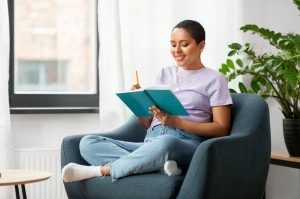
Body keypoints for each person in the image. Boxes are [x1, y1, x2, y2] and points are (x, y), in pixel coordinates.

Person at [62, 19, 232, 182]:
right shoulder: (164, 73)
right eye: (173, 45)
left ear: (201, 46)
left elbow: (222, 128)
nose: (177, 50)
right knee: (88, 143)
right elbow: (145, 123)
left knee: (166, 144)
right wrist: (138, 103)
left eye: (184, 44)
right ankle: (154, 165)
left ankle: (100, 171)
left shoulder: (215, 79)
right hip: (150, 143)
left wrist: (178, 123)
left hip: (184, 143)